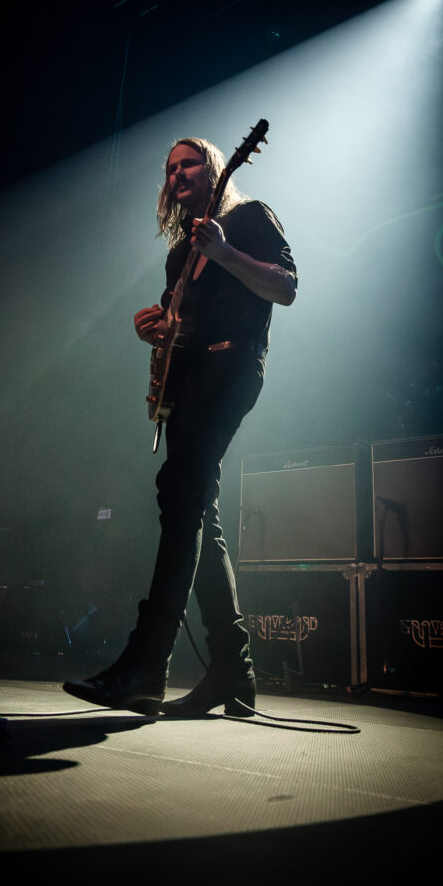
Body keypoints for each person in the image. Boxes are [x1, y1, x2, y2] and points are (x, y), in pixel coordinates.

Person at [63, 136, 297, 717]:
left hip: (233, 368)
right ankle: (233, 674)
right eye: (170, 168)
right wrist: (156, 329)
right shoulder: (178, 254)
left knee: (181, 492)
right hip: (190, 384)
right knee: (193, 507)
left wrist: (225, 253)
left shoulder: (247, 218)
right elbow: (179, 324)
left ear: (215, 168)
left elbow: (286, 287)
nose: (178, 173)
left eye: (189, 162)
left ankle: (147, 665)